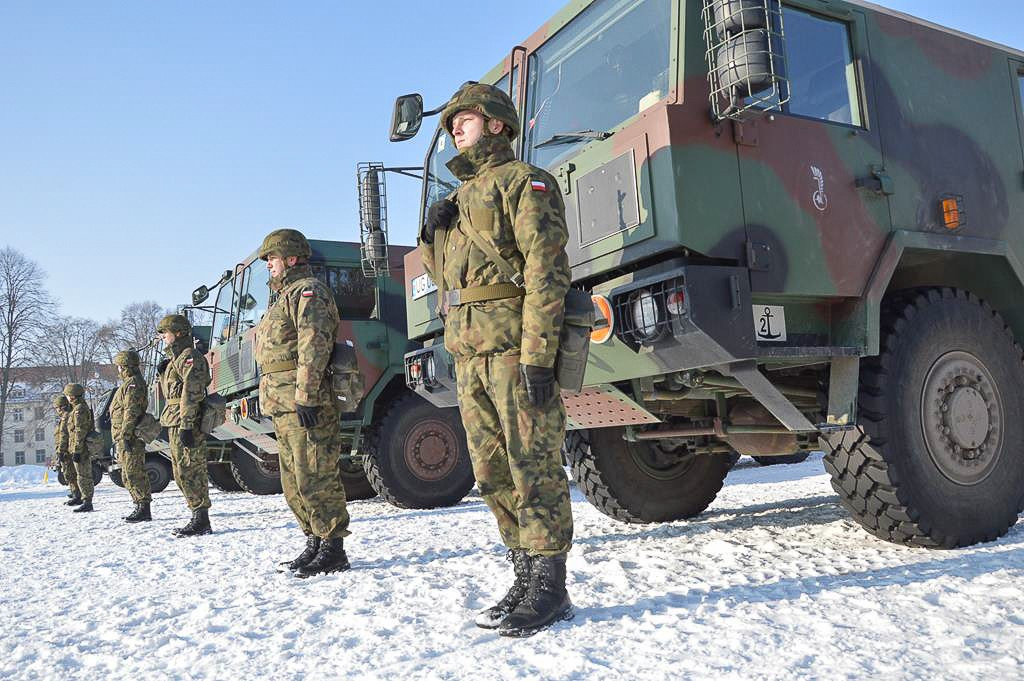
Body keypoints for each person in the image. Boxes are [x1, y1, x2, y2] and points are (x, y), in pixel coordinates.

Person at [419, 82, 574, 636]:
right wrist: (432, 233)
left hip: (513, 351)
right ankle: (524, 573)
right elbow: (447, 281)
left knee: (532, 465)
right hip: (469, 356)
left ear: (497, 123)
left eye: (464, 118)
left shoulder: (523, 182)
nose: (455, 128)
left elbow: (545, 272)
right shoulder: (461, 198)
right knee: (489, 472)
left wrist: (538, 356)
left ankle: (550, 585)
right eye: (451, 122)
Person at [255, 228, 352, 577]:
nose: (269, 264)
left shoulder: (309, 292)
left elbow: (314, 345)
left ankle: (332, 547)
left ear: (291, 258)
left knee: (315, 474)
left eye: (272, 258)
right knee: (293, 479)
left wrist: (307, 395)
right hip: (281, 402)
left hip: (304, 400)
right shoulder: (281, 298)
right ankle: (313, 539)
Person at [156, 314, 213, 536]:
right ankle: (196, 514)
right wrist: (164, 372)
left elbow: (191, 393)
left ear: (178, 333)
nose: (163, 337)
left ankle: (201, 519)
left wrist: (187, 425)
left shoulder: (190, 356)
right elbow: (172, 392)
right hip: (175, 419)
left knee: (191, 470)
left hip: (187, 420)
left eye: (166, 333)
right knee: (180, 471)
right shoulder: (176, 360)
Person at [110, 349, 153, 523]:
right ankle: (139, 505)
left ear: (125, 366)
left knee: (134, 472)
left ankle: (144, 508)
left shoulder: (133, 384)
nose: (118, 370)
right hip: (125, 436)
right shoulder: (128, 383)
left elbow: (131, 411)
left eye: (120, 366)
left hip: (131, 436)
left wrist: (126, 435)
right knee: (128, 473)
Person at [64, 383, 95, 513]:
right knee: (80, 475)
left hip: (81, 449)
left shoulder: (80, 409)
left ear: (72, 396)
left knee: (84, 476)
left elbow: (80, 431)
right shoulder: (76, 408)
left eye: (68, 395)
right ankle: (83, 499)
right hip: (78, 448)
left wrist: (77, 450)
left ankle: (87, 502)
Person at [52, 394, 80, 505]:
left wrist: (61, 450)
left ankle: (77, 495)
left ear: (61, 407)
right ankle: (75, 493)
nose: (56, 410)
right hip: (65, 449)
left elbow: (64, 435)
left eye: (57, 407)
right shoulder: (65, 416)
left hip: (66, 450)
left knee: (71, 474)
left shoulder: (66, 417)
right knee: (69, 473)